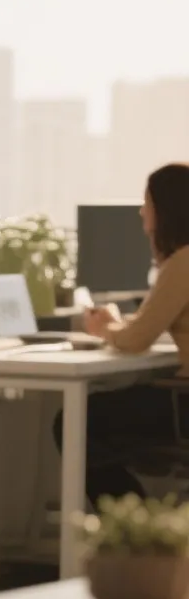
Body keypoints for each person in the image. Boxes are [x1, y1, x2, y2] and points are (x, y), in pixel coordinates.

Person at [58, 163, 189, 507]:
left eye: (148, 202)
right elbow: (153, 321)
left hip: (185, 406)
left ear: (168, 210)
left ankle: (136, 529)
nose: (142, 210)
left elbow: (135, 341)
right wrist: (119, 324)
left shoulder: (182, 263)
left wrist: (105, 329)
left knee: (76, 421)